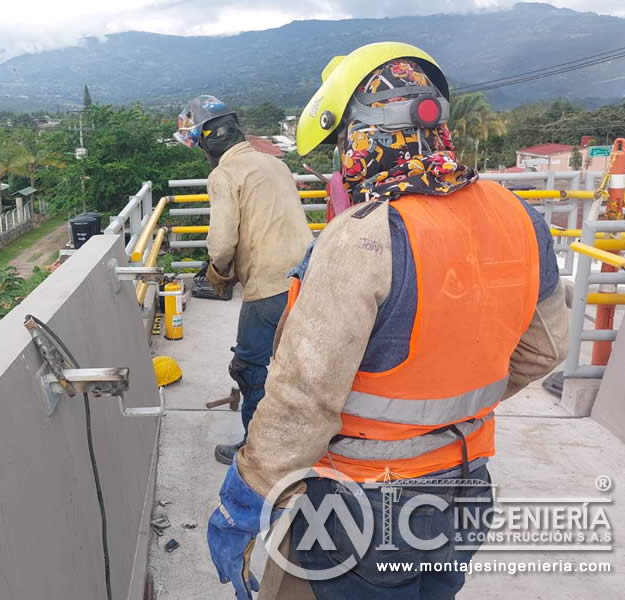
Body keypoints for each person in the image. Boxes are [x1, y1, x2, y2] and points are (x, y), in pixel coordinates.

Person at [206, 42, 569, 599]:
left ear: (364, 135)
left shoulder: (364, 234)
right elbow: (545, 350)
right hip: (468, 485)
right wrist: (458, 397)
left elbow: (303, 395)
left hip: (367, 502)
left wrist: (245, 495)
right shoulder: (520, 214)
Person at [174, 95, 313, 465]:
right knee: (296, 368)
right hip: (308, 279)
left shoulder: (224, 174)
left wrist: (218, 273)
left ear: (208, 140)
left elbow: (221, 243)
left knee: (249, 368)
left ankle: (257, 453)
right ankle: (300, 443)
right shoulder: (274, 164)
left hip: (268, 286)